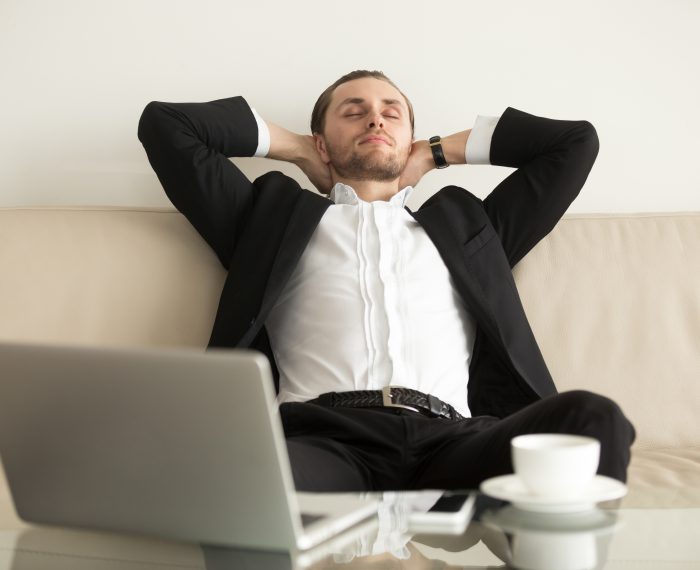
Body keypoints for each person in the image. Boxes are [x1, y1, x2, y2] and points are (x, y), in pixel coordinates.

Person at [137, 69, 636, 492]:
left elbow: (574, 143)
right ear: (322, 140)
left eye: (391, 112)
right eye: (353, 112)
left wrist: (435, 153)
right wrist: (298, 151)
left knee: (594, 418)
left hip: (454, 440)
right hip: (321, 438)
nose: (375, 117)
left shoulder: (472, 228)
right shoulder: (267, 217)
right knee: (236, 480)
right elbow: (166, 124)